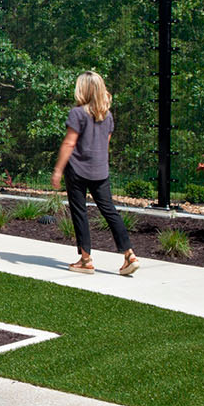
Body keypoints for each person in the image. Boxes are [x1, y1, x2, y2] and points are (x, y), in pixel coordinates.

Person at [50, 72, 140, 276]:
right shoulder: (107, 115)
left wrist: (58, 170)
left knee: (80, 212)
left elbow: (69, 143)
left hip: (77, 171)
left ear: (83, 90)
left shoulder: (77, 113)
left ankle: (86, 260)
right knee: (110, 210)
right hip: (100, 171)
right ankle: (129, 254)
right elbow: (105, 144)